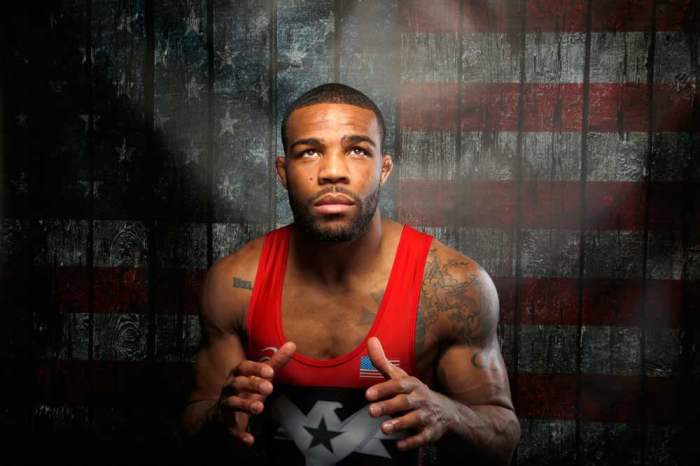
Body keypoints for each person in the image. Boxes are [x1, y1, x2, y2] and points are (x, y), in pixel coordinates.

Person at [180, 83, 520, 465]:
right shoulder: (234, 282)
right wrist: (218, 417)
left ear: (384, 168)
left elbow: (503, 441)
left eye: (357, 150)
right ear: (282, 171)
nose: (333, 172)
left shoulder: (452, 285)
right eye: (309, 152)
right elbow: (194, 427)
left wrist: (448, 413)